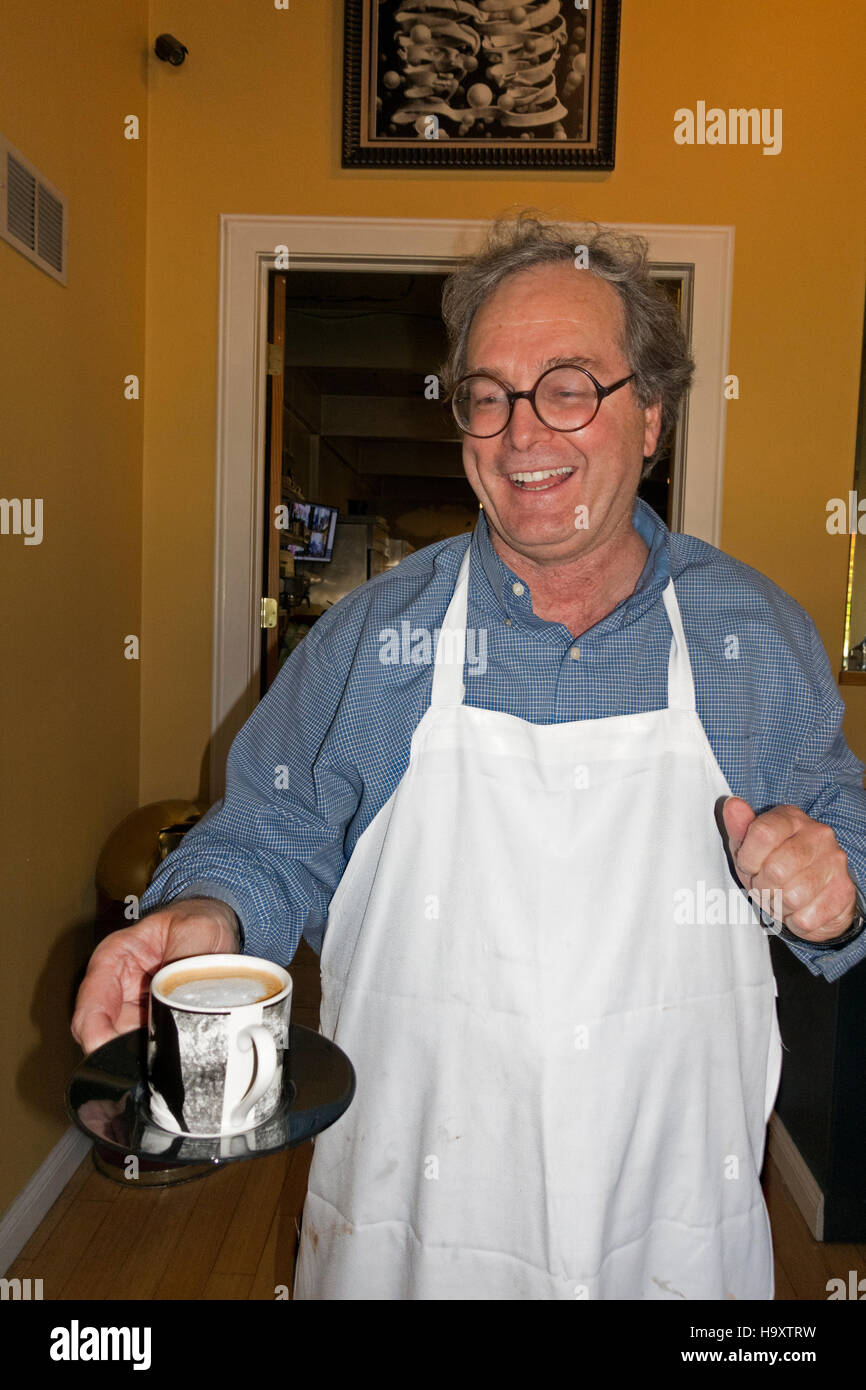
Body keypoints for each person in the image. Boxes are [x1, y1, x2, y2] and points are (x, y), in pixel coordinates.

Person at [72, 212, 866, 1300]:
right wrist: (203, 920)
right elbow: (271, 833)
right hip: (412, 1231)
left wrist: (832, 889)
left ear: (651, 417)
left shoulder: (750, 636)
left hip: (672, 1227)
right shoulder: (373, 637)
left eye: (569, 385)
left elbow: (841, 833)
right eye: (486, 394)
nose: (521, 434)